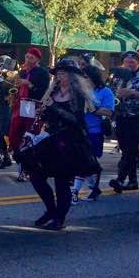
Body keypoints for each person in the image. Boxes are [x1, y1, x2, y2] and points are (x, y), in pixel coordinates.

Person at [25, 58, 97, 230]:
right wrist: (40, 114)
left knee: (61, 181)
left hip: (69, 140)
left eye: (64, 73)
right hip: (51, 138)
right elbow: (45, 115)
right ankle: (51, 210)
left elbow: (76, 120)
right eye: (58, 73)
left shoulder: (78, 95)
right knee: (35, 175)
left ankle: (60, 218)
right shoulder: (53, 91)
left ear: (72, 76)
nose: (60, 76)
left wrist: (54, 108)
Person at [109, 50, 139, 193]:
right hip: (121, 116)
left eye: (132, 62)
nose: (129, 64)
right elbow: (112, 92)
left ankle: (120, 179)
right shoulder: (118, 75)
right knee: (126, 149)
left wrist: (132, 93)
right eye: (126, 62)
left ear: (138, 62)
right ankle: (132, 181)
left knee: (131, 149)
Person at [72, 65, 114, 202]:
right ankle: (93, 187)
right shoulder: (78, 91)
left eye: (85, 77)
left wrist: (93, 109)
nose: (82, 79)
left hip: (94, 131)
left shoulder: (105, 92)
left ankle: (74, 192)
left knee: (83, 161)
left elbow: (109, 112)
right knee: (84, 161)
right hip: (78, 129)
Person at [9, 48, 50, 182]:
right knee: (15, 135)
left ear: (37, 60)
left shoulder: (42, 73)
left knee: (27, 137)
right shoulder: (22, 71)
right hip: (19, 105)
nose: (27, 60)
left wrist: (29, 84)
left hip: (31, 105)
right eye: (26, 57)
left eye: (31, 58)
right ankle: (21, 164)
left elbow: (43, 93)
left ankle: (25, 169)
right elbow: (16, 87)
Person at [0, 56, 16, 170]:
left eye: (1, 65)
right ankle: (5, 157)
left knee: (1, 133)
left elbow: (10, 94)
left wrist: (1, 82)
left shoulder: (13, 76)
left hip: (6, 108)